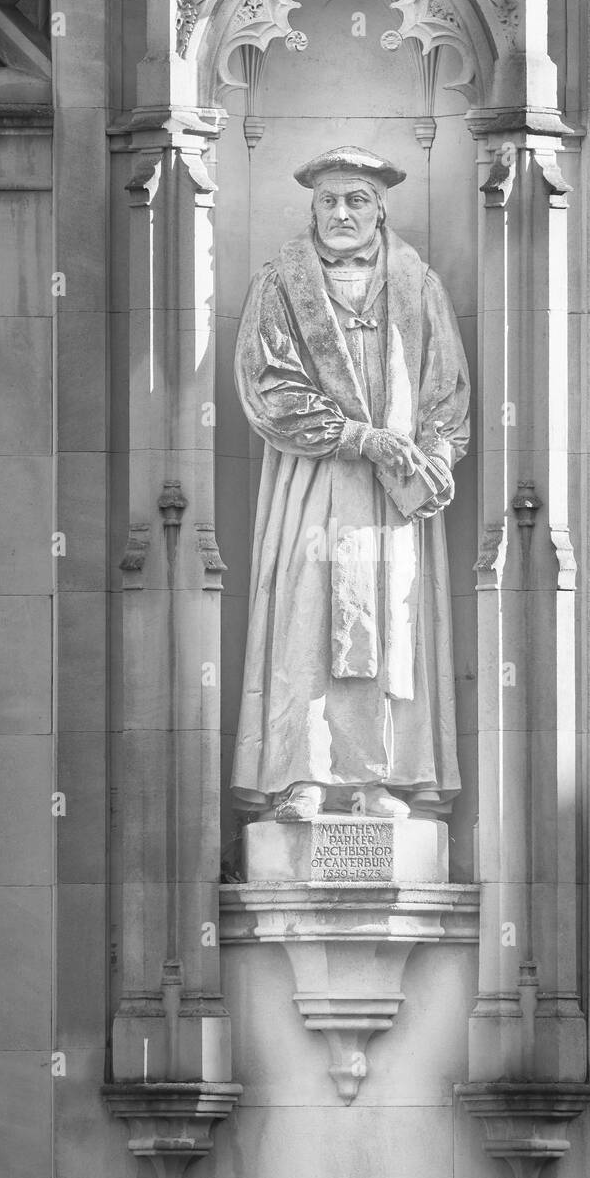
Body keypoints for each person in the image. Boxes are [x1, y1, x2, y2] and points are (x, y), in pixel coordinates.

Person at [232, 145, 470, 822]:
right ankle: (301, 775)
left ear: (380, 207)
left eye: (356, 200)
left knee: (391, 626)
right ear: (312, 206)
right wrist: (363, 438)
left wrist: (432, 462)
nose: (343, 212)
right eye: (331, 200)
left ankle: (379, 780)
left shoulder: (417, 282)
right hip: (313, 482)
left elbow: (447, 392)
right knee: (307, 621)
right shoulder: (280, 282)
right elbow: (267, 388)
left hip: (391, 498)